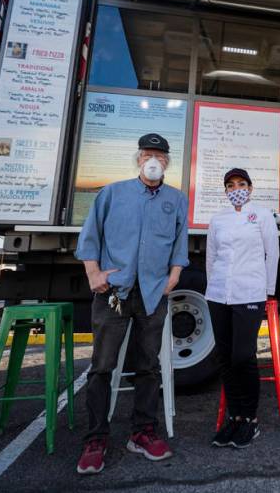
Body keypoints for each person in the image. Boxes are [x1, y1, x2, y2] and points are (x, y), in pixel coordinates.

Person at [73, 132, 189, 475]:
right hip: (115, 293)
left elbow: (181, 240)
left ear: (168, 162)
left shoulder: (176, 199)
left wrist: (175, 276)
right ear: (138, 159)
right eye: (148, 154)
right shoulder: (112, 193)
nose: (154, 160)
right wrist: (93, 273)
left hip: (153, 293)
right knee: (102, 367)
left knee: (148, 366)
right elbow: (90, 235)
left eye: (160, 155)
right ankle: (96, 439)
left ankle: (142, 432)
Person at [205, 167, 279, 448]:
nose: (236, 188)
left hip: (249, 292)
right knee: (224, 358)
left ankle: (250, 419)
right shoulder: (218, 219)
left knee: (243, 356)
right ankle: (233, 418)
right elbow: (211, 256)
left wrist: (268, 290)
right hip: (219, 294)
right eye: (231, 184)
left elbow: (272, 253)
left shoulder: (261, 215)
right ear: (225, 190)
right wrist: (214, 288)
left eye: (241, 183)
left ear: (250, 187)